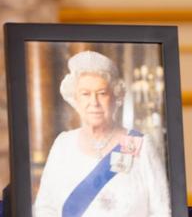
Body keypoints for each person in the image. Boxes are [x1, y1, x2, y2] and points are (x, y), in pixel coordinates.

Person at [33, 50, 171, 217]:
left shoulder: (142, 146)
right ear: (75, 99)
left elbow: (162, 210)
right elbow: (45, 208)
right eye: (85, 94)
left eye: (102, 93)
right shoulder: (63, 145)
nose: (94, 102)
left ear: (116, 97)